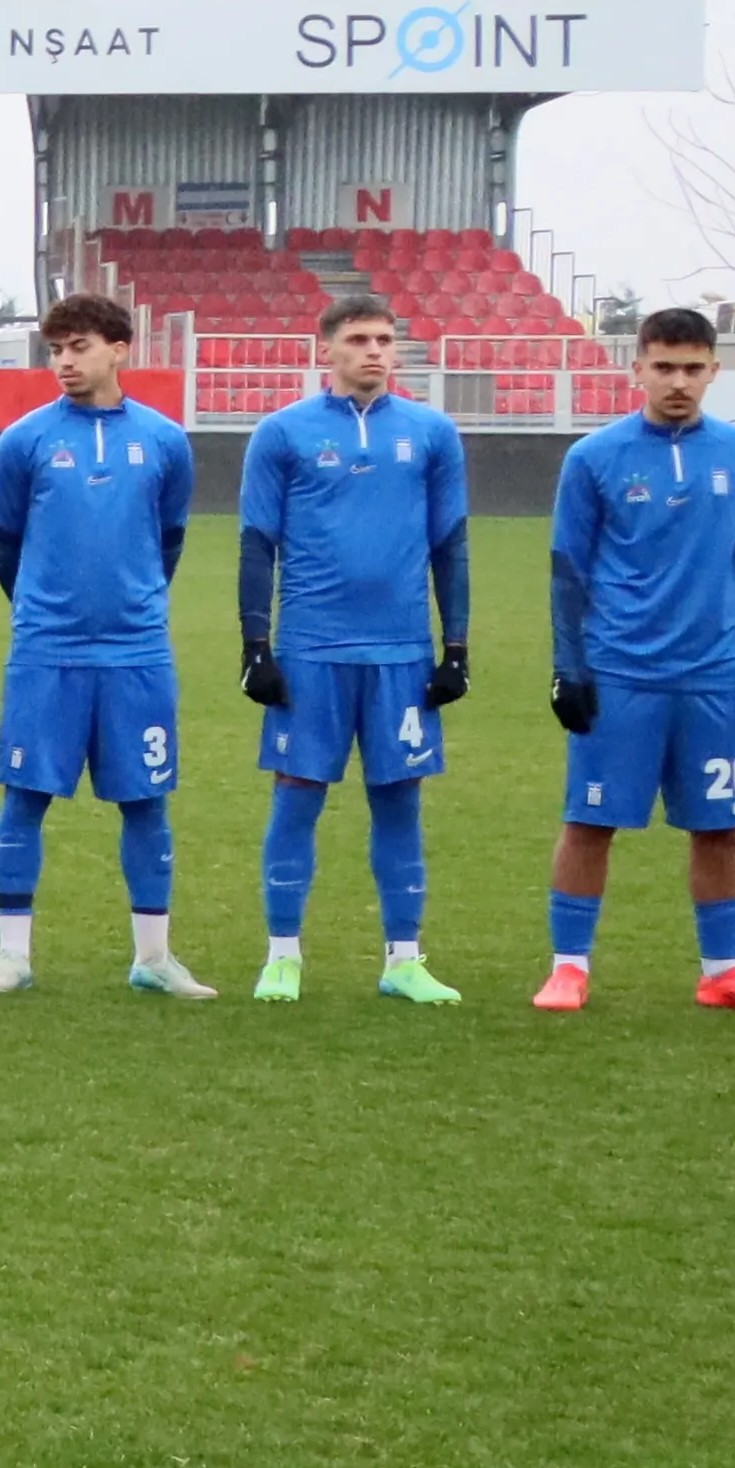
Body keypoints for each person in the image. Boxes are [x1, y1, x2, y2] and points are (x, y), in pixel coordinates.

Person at [542, 309, 735, 1014]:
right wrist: (569, 667)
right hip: (619, 672)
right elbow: (568, 570)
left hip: (712, 675)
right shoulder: (593, 457)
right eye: (664, 367)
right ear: (638, 369)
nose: (678, 382)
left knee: (721, 826)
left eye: (692, 368)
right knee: (590, 820)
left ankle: (725, 971)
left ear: (714, 370)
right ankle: (568, 968)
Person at [239, 295, 472, 1006]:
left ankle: (404, 960)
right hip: (312, 651)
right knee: (296, 798)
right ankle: (282, 956)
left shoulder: (432, 433)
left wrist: (455, 646)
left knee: (400, 802)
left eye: (385, 339)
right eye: (359, 338)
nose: (374, 350)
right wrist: (256, 645)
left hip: (402, 654)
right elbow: (257, 543)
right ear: (327, 350)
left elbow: (451, 545)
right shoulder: (282, 432)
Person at [0, 290, 204, 997]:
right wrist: (43, 606)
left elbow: (169, 537)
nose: (65, 362)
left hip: (136, 652)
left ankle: (154, 958)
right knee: (25, 796)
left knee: (146, 801)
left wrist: (133, 600)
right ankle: (11, 955)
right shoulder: (24, 440)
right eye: (56, 350)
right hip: (47, 650)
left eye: (79, 347)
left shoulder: (164, 440)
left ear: (119, 349)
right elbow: (2, 540)